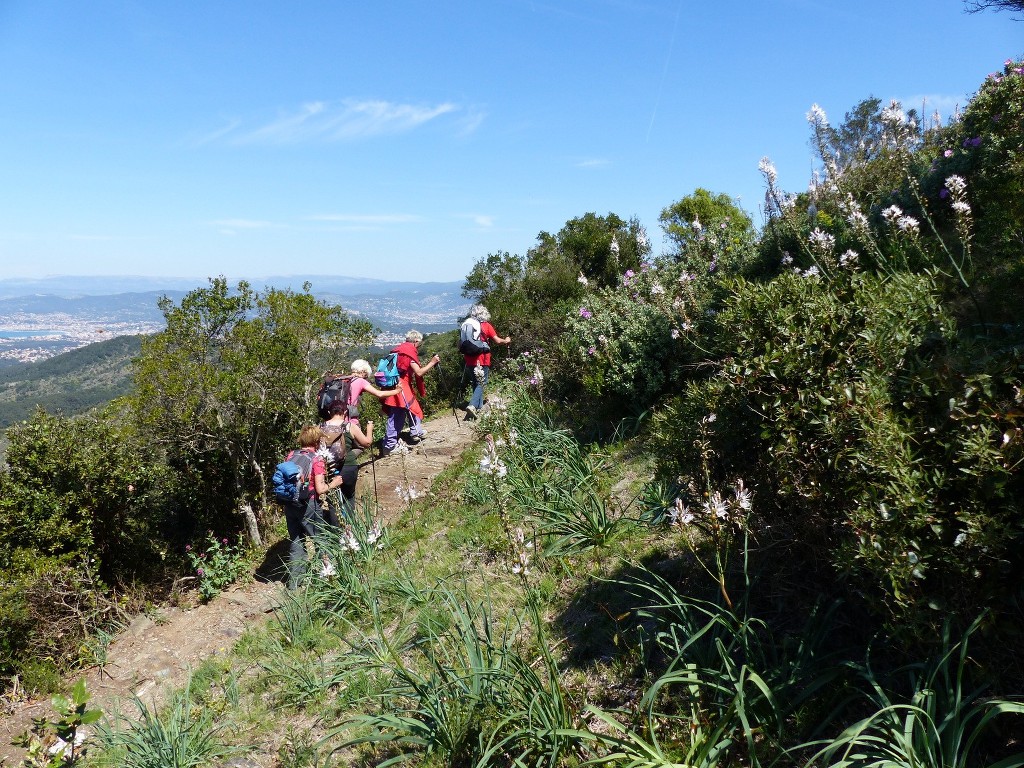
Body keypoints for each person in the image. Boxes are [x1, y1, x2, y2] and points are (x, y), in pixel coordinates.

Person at [282, 425, 343, 588]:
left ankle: (295, 584)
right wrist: (334, 483)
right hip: (308, 505)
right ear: (316, 441)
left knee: (296, 541)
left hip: (290, 504)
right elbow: (320, 488)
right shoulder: (316, 459)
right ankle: (328, 577)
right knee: (321, 540)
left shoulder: (290, 455)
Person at [380, 330, 440, 454]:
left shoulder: (398, 349)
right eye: (419, 344)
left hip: (393, 385)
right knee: (397, 414)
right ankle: (389, 445)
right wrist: (432, 362)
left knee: (411, 407)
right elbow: (419, 372)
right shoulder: (408, 352)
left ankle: (416, 432)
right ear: (416, 341)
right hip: (401, 386)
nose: (419, 346)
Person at [319, 400, 374, 518]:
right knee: (349, 497)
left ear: (329, 412)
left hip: (328, 468)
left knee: (333, 502)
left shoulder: (320, 427)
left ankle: (337, 533)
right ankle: (350, 531)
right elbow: (367, 443)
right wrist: (369, 428)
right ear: (344, 412)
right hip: (348, 466)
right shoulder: (350, 426)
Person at [462, 305, 510, 419]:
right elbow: (497, 340)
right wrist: (506, 340)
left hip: (469, 358)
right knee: (482, 382)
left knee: (475, 382)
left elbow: (461, 343)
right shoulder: (486, 325)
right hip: (482, 358)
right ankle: (472, 405)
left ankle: (478, 408)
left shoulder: (468, 325)